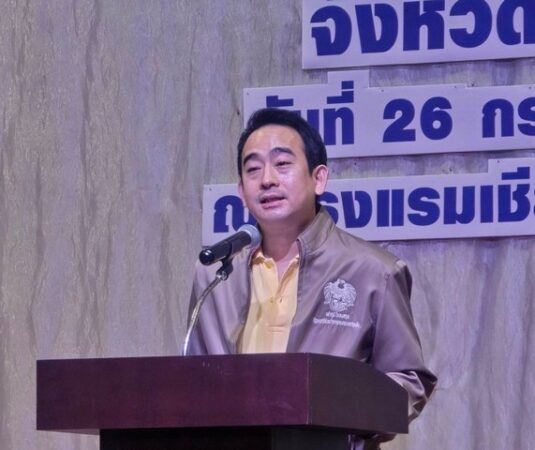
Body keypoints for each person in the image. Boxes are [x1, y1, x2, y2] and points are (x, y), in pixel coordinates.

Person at [188, 108, 437, 449]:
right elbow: (192, 380)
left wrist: (344, 418)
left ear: (318, 179)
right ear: (241, 190)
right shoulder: (215, 274)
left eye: (282, 164)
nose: (267, 179)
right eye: (253, 169)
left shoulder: (373, 271)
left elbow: (409, 380)